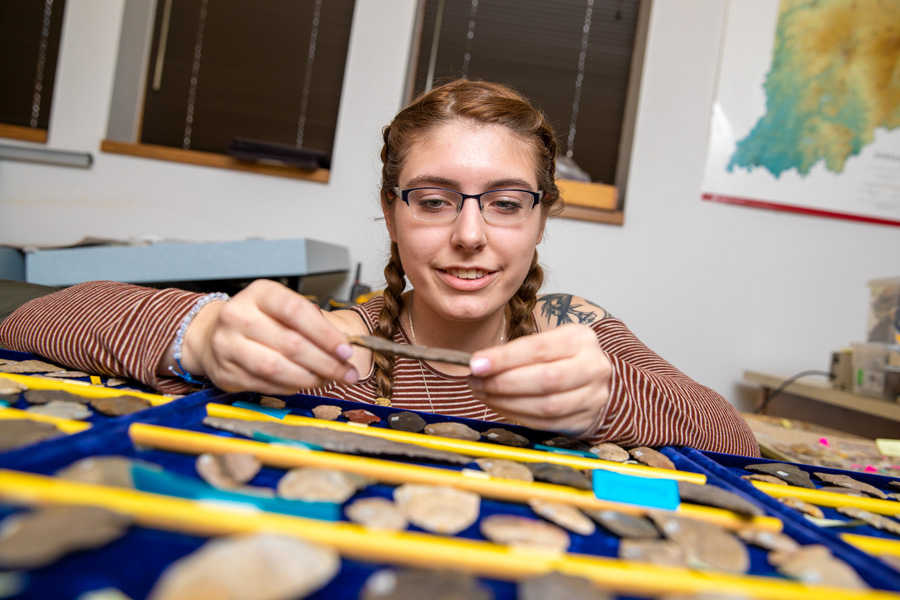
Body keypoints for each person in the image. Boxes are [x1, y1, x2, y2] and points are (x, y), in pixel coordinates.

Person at [0, 80, 759, 456]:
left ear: (540, 217)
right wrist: (199, 336)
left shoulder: (577, 332)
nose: (469, 235)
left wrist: (607, 400)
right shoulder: (331, 346)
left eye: (504, 203)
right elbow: (30, 318)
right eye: (432, 201)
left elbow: (738, 441)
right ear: (392, 213)